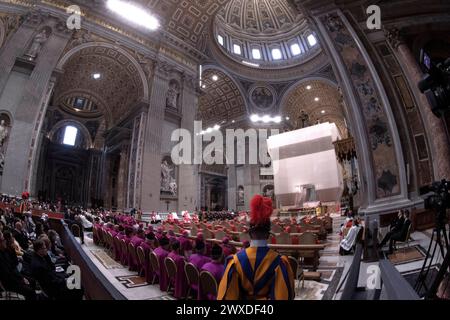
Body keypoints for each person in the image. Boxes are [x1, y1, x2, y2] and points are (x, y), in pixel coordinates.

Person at [218, 194, 295, 300]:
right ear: (268, 235)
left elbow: (229, 296)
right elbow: (282, 296)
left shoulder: (235, 261)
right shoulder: (279, 262)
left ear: (249, 234)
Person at [0, 231, 36, 300]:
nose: (5, 241)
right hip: (10, 283)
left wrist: (22, 278)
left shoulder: (5, 251)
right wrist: (21, 279)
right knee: (30, 292)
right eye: (3, 240)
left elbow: (14, 264)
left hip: (15, 277)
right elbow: (8, 275)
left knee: (32, 281)